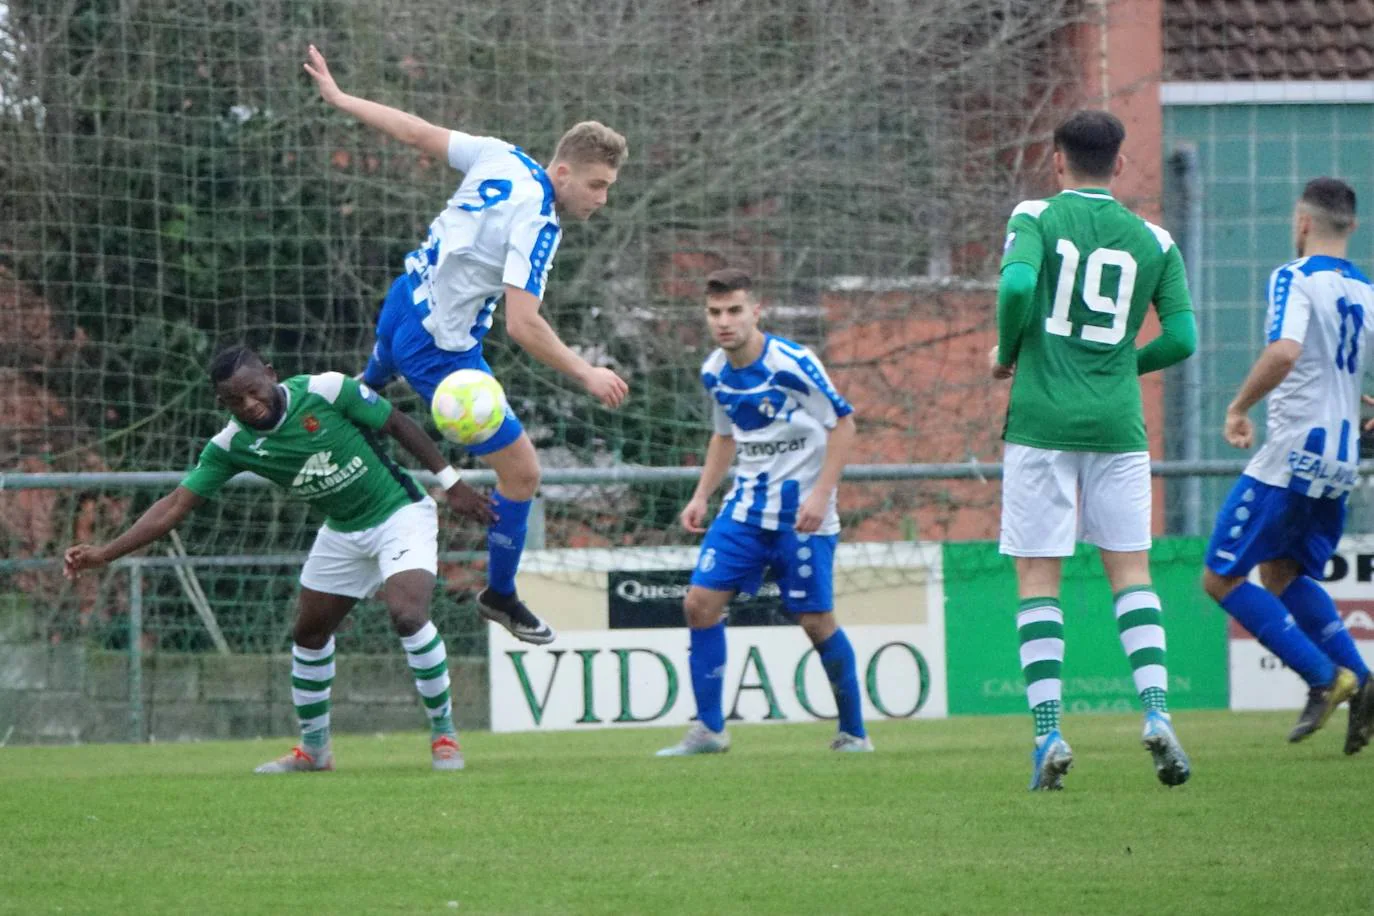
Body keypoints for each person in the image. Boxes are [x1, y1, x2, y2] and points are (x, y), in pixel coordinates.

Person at [302, 44, 631, 646]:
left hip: (402, 301)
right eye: (597, 185)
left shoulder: (501, 156)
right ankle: (500, 594)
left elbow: (418, 133)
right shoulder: (540, 224)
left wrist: (342, 99)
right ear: (563, 172)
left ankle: (315, 425)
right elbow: (523, 325)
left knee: (356, 399)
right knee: (524, 474)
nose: (601, 199)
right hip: (442, 354)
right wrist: (585, 372)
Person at [64, 346, 494, 773]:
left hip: (399, 513)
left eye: (254, 391)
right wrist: (105, 553)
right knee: (308, 633)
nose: (250, 405)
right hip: (342, 531)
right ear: (222, 403)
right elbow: (175, 505)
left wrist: (451, 483)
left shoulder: (326, 391)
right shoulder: (232, 445)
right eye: (235, 401)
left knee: (406, 614)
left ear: (270, 374)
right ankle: (314, 751)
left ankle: (444, 734)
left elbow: (397, 424)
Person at [993, 109, 1198, 790]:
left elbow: (1019, 285)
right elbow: (1183, 339)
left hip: (1041, 423)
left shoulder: (1035, 217)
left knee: (1038, 578)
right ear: (1118, 163)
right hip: (1117, 427)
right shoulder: (1155, 240)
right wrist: (1120, 367)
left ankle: (1049, 729)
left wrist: (1009, 351)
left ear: (1057, 161)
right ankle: (1157, 712)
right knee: (1131, 573)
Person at [656, 268, 870, 756]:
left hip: (801, 515)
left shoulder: (792, 362)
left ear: (757, 311)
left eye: (734, 311)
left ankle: (854, 733)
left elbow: (843, 424)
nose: (724, 322)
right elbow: (725, 435)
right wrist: (702, 495)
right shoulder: (714, 370)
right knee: (698, 604)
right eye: (715, 313)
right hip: (745, 511)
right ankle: (710, 730)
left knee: (815, 621)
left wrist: (821, 494)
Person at [1202, 177, 1374, 755]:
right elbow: (1336, 366)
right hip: (1341, 458)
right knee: (1281, 573)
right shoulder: (1364, 288)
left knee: (1220, 576)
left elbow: (1285, 351)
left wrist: (1239, 404)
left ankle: (1324, 677)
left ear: (1302, 224)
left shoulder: (1294, 277)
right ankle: (1365, 681)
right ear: (1350, 225)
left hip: (1293, 452)